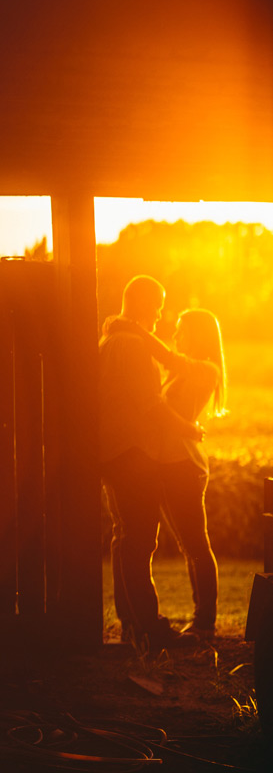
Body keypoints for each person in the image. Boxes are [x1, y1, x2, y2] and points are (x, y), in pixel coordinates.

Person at [99, 275, 204, 650]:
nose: (160, 314)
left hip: (110, 453)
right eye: (158, 305)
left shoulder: (109, 340)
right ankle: (149, 626)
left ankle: (130, 622)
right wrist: (189, 429)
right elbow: (151, 406)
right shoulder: (132, 346)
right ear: (143, 303)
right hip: (132, 453)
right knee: (142, 540)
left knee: (123, 537)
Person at [108, 309, 226, 641]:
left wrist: (135, 328)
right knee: (184, 546)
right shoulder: (181, 372)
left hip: (185, 467)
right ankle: (176, 620)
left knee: (196, 547)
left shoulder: (206, 370)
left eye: (181, 331)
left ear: (199, 335)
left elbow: (168, 359)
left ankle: (205, 622)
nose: (175, 336)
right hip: (167, 465)